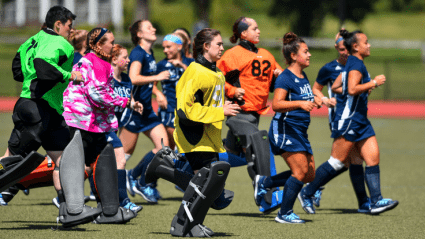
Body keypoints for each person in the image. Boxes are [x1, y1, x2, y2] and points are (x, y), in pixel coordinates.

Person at [0, 7, 105, 227]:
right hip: (37, 111)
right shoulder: (60, 43)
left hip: (47, 110)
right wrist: (69, 75)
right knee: (11, 163)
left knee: (66, 160)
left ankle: (71, 210)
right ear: (58, 25)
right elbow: (42, 66)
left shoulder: (31, 40)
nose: (71, 30)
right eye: (68, 26)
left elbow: (18, 71)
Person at [145, 28, 240, 237]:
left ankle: (163, 170)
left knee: (208, 186)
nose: (223, 48)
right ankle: (187, 224)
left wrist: (227, 104)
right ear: (206, 47)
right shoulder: (195, 71)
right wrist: (220, 110)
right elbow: (185, 111)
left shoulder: (217, 73)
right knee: (206, 184)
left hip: (211, 137)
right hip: (193, 134)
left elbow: (210, 102)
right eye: (218, 44)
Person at [298, 29, 399, 215]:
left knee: (371, 158)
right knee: (338, 162)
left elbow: (337, 87)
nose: (369, 45)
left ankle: (375, 201)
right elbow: (352, 89)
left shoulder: (356, 63)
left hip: (361, 121)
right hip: (349, 121)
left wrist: (363, 88)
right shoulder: (354, 64)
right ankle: (307, 191)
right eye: (366, 42)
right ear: (356, 46)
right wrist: (373, 83)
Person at [62, 27, 142, 224]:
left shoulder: (97, 61)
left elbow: (100, 93)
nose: (113, 46)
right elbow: (98, 95)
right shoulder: (97, 63)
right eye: (110, 42)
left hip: (90, 122)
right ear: (98, 45)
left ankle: (108, 211)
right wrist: (124, 102)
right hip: (81, 120)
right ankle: (70, 210)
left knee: (99, 162)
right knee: (78, 164)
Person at [216, 17, 283, 211]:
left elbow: (278, 80)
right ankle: (269, 196)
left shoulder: (266, 55)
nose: (259, 31)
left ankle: (189, 165)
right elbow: (215, 80)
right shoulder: (232, 55)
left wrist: (279, 77)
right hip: (238, 114)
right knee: (262, 147)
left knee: (235, 156)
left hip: (254, 115)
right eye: (254, 28)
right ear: (243, 34)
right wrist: (232, 91)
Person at [254, 32, 321, 224]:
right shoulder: (285, 77)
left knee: (309, 175)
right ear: (293, 56)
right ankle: (284, 213)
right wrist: (300, 104)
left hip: (299, 131)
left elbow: (303, 98)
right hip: (285, 129)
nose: (309, 55)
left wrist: (316, 100)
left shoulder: (303, 75)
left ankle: (265, 183)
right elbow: (276, 104)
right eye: (305, 52)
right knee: (299, 172)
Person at [310, 30, 369, 210]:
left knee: (352, 160)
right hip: (339, 118)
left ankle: (363, 202)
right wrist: (325, 100)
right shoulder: (329, 68)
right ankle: (312, 187)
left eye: (348, 49)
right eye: (342, 49)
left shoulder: (356, 64)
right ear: (337, 48)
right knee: (347, 160)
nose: (345, 52)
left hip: (355, 117)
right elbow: (316, 89)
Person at [121, 20, 171, 203]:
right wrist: (158, 77)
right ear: (140, 34)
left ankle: (133, 176)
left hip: (147, 112)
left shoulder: (150, 53)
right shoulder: (138, 53)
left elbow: (148, 81)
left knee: (163, 149)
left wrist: (157, 92)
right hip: (134, 111)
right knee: (121, 157)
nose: (154, 29)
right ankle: (101, 190)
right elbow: (133, 78)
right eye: (149, 28)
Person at [153, 34, 194, 150]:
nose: (165, 50)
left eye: (169, 47)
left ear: (179, 47)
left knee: (172, 146)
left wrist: (181, 65)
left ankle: (173, 165)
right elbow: (152, 85)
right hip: (169, 109)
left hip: (188, 109)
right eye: (164, 47)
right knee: (176, 141)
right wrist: (158, 93)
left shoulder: (191, 62)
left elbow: (198, 80)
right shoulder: (161, 65)